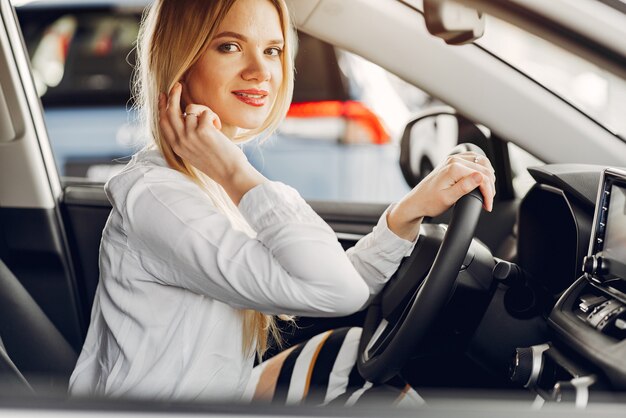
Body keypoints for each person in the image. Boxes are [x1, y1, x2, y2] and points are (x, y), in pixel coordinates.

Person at [68, 0, 496, 405]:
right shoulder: (161, 196)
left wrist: (409, 211)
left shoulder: (206, 183)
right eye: (230, 46)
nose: (260, 71)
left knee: (350, 354)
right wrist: (235, 170)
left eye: (272, 50)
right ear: (181, 61)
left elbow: (341, 281)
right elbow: (336, 291)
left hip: (221, 399)